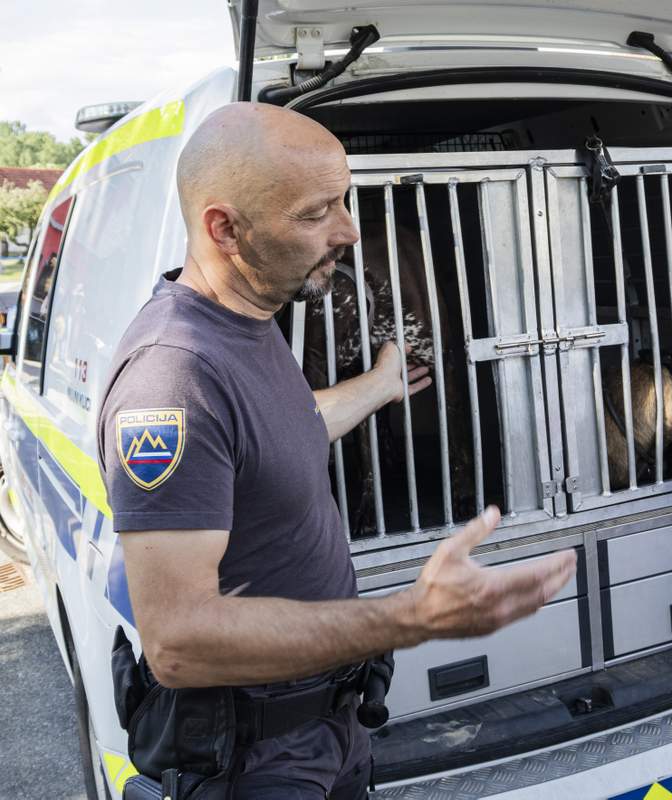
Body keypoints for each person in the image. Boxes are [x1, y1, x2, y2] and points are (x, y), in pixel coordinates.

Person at [97, 103, 576, 799]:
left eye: (343, 200)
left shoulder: (247, 319)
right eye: (316, 213)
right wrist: (411, 617)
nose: (349, 230)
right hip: (254, 760)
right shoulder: (173, 377)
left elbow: (272, 435)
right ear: (225, 229)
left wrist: (378, 386)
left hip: (329, 723)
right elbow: (178, 642)